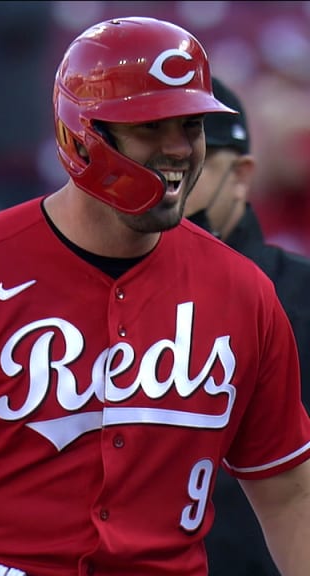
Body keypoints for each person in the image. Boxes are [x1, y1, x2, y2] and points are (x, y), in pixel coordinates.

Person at [0, 16, 310, 576]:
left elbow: (287, 490)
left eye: (190, 127)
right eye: (151, 129)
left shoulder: (243, 292)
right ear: (81, 136)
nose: (179, 150)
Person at [187, 77, 310, 576]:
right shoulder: (95, 292)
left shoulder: (299, 297)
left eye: (192, 159)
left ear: (239, 176)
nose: (165, 174)